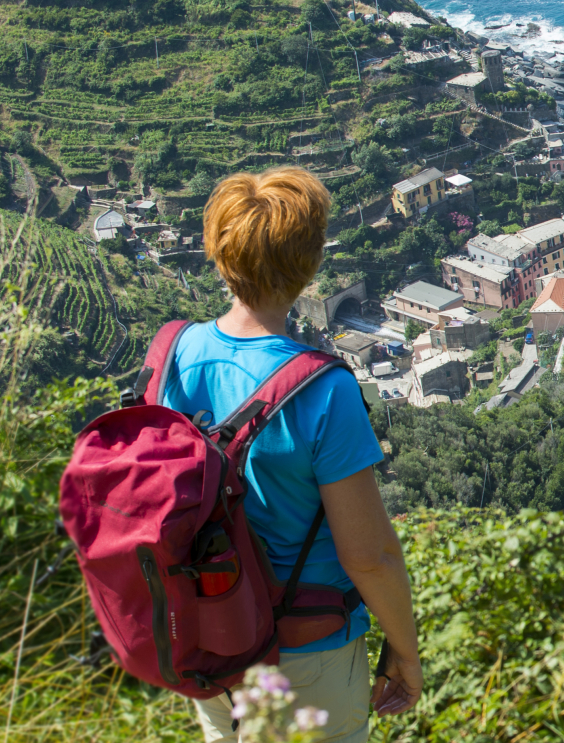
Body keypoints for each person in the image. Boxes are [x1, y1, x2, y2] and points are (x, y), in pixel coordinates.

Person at [163, 167, 423, 742]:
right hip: (307, 651)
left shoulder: (173, 354)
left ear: (218, 252)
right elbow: (369, 556)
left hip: (209, 637)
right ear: (309, 265)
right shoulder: (323, 392)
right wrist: (405, 652)